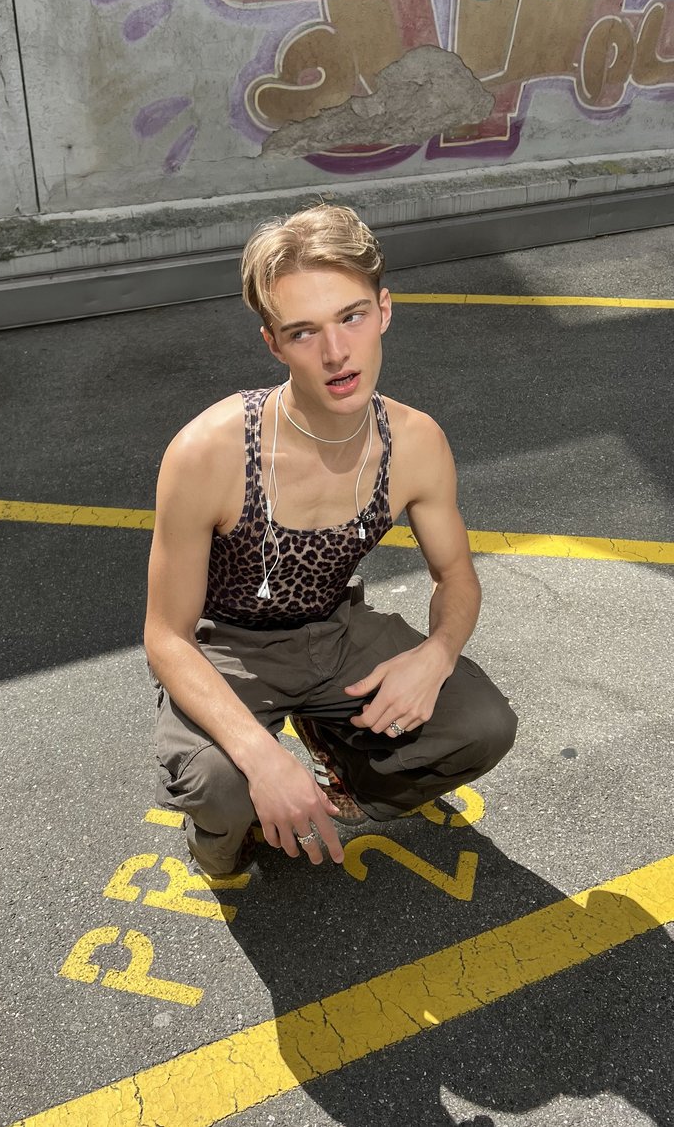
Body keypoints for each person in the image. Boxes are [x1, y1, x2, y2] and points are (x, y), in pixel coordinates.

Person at [144, 204, 517, 878]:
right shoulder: (208, 451)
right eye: (304, 332)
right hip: (229, 646)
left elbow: (456, 576)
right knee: (224, 791)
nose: (336, 352)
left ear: (384, 310)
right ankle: (221, 844)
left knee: (482, 726)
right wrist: (263, 761)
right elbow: (166, 638)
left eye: (350, 316)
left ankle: (346, 771)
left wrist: (437, 653)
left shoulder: (417, 443)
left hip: (337, 630)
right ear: (274, 344)